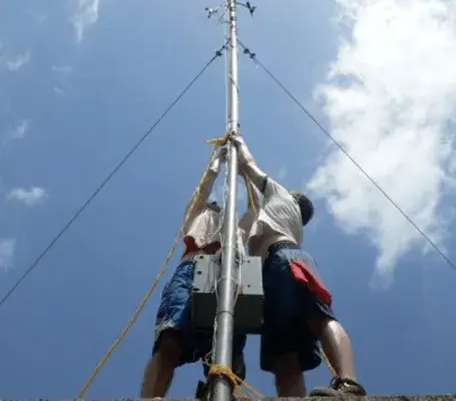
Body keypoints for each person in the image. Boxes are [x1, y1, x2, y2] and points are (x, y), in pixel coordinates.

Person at [233, 134, 366, 398]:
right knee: (284, 350)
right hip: (272, 268)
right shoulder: (279, 216)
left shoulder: (280, 195)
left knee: (317, 315)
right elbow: (253, 206)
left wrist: (238, 143)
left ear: (293, 200)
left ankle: (349, 384)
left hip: (284, 258)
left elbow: (250, 166)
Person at [140, 147, 247, 398]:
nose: (216, 206)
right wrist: (217, 163)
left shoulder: (237, 225)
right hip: (192, 266)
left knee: (226, 344)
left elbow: (253, 216)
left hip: (227, 272)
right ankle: (150, 396)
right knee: (171, 335)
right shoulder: (199, 211)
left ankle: (216, 391)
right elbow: (203, 190)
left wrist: (245, 173)